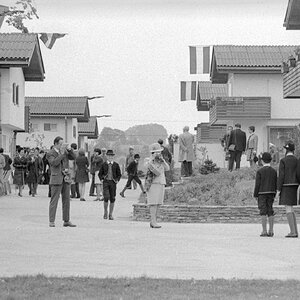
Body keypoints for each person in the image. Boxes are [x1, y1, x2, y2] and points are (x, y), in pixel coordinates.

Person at [46, 136, 76, 227]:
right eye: (60, 144)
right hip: (56, 178)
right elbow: (54, 163)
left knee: (66, 200)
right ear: (55, 144)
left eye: (63, 144)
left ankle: (66, 220)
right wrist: (62, 154)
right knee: (54, 200)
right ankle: (52, 221)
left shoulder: (65, 152)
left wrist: (70, 150)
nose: (62, 145)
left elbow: (73, 157)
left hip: (66, 178)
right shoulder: (50, 153)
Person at [278, 141, 300, 238]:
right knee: (291, 208)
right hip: (295, 185)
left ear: (286, 150)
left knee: (288, 208)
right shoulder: (297, 160)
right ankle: (295, 230)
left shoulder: (283, 161)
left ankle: (293, 232)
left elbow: (281, 175)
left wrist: (278, 189)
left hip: (286, 185)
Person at [145, 142, 170, 228]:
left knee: (158, 203)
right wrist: (153, 160)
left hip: (161, 183)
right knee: (153, 203)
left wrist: (163, 162)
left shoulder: (161, 161)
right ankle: (153, 221)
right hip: (153, 184)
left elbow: (167, 168)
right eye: (157, 152)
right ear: (153, 153)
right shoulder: (149, 161)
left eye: (159, 152)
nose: (159, 154)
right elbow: (156, 172)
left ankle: (154, 220)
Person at [254, 152, 277, 237]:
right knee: (270, 210)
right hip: (271, 192)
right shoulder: (274, 171)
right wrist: (274, 192)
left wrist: (255, 194)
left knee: (263, 211)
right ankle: (271, 230)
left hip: (262, 193)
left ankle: (264, 231)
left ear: (262, 160)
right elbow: (275, 182)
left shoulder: (260, 171)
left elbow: (257, 184)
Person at [98, 149, 121, 220]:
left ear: (113, 157)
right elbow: (100, 174)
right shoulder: (104, 164)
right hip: (106, 182)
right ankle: (105, 212)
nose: (110, 157)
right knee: (106, 196)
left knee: (112, 198)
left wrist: (117, 180)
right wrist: (102, 179)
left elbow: (119, 174)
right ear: (107, 156)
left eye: (111, 156)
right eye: (109, 156)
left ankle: (110, 214)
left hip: (113, 182)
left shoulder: (116, 165)